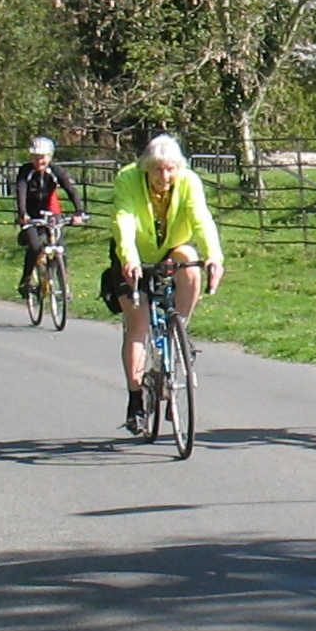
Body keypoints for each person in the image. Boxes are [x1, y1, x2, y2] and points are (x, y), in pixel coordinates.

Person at [101, 134, 224, 433]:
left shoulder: (189, 181)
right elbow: (124, 219)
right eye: (157, 169)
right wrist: (129, 258)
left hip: (172, 248)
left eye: (170, 169)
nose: (164, 176)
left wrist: (214, 257)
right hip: (133, 253)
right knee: (138, 326)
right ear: (146, 167)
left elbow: (201, 219)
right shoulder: (128, 179)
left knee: (191, 264)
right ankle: (135, 401)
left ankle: (179, 330)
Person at [13, 136, 87, 296]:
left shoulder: (55, 171)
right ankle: (25, 280)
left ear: (50, 156)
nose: (39, 161)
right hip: (30, 214)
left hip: (50, 212)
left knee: (60, 247)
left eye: (42, 158)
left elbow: (70, 190)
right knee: (35, 247)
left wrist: (79, 211)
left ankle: (63, 285)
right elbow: (21, 191)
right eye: (35, 157)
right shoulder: (26, 171)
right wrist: (22, 213)